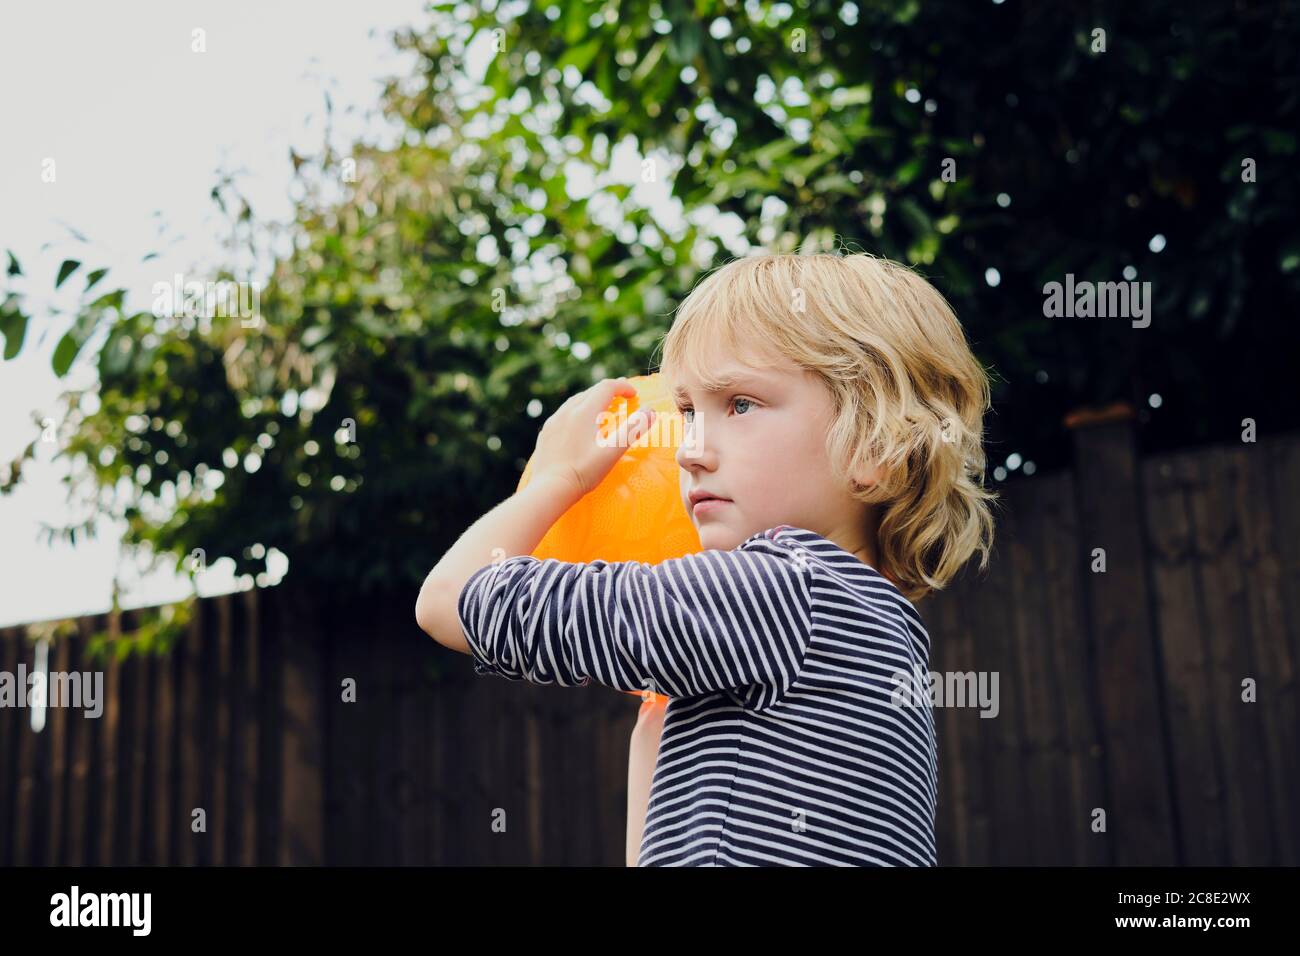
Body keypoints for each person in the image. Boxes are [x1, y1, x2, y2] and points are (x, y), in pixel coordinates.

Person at [415, 250, 998, 865]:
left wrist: (556, 480)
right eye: (687, 411)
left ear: (874, 447)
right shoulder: (883, 633)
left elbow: (450, 601)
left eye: (740, 404)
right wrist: (658, 734)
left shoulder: (779, 592)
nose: (688, 450)